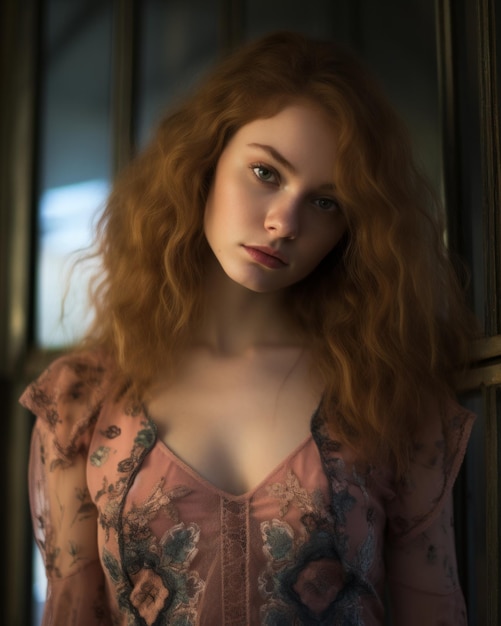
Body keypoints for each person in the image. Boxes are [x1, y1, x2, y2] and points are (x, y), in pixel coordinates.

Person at [22, 31, 476, 626]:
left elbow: (434, 611)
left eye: (325, 203)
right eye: (266, 171)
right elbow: (70, 612)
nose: (283, 222)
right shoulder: (81, 401)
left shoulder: (387, 394)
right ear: (204, 165)